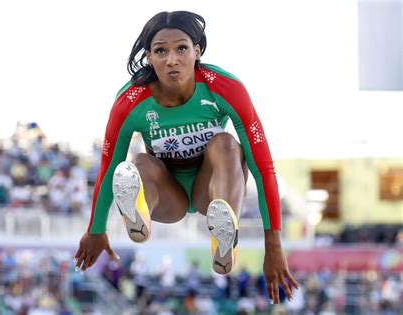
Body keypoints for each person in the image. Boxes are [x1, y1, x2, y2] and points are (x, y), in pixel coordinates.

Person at [75, 10, 299, 303]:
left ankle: (225, 238)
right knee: (137, 163)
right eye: (160, 51)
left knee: (226, 144)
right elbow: (108, 168)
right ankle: (139, 215)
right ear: (148, 58)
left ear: (197, 50)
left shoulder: (225, 88)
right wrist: (96, 229)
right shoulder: (130, 101)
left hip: (213, 187)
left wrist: (274, 243)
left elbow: (263, 168)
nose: (171, 59)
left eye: (181, 48)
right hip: (170, 196)